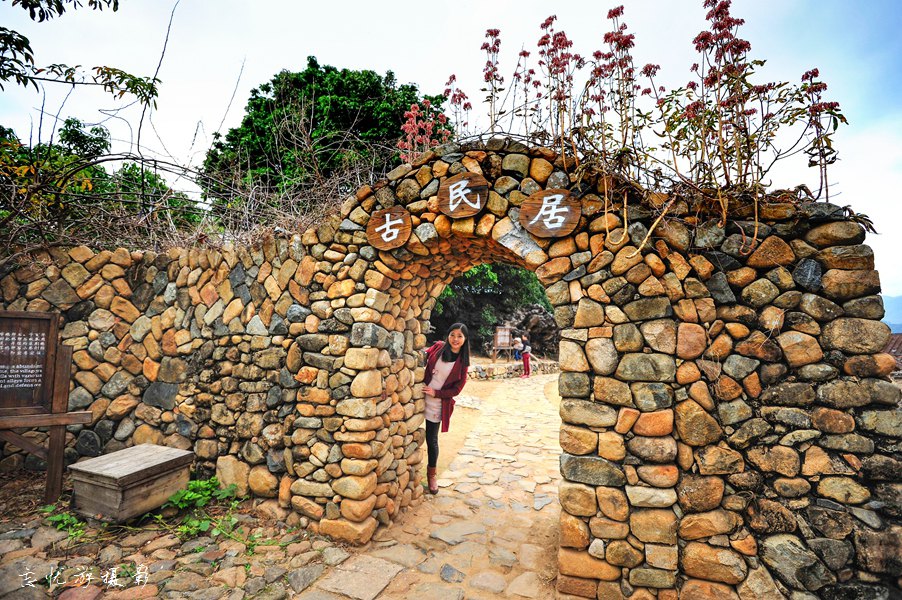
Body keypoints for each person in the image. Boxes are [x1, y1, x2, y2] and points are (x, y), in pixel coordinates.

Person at [422, 323, 470, 495]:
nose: (455, 339)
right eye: (452, 335)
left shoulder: (463, 364)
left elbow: (456, 390)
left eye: (459, 336)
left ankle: (432, 475)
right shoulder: (439, 347)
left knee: (431, 440)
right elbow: (423, 356)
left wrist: (436, 393)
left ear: (465, 340)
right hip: (419, 396)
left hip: (436, 403)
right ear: (448, 335)